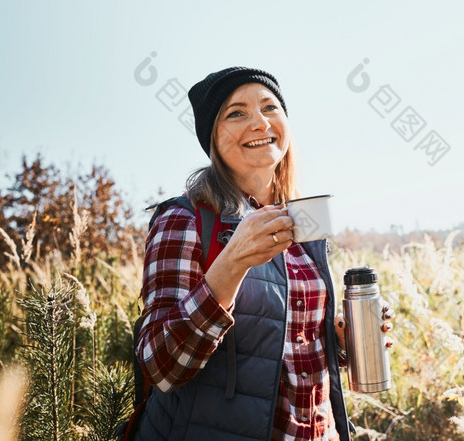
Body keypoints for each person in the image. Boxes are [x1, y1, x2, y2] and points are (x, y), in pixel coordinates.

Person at [134, 67, 393, 440]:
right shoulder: (186, 219)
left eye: (270, 108)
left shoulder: (304, 223)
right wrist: (232, 262)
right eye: (236, 113)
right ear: (212, 137)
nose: (259, 122)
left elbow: (286, 350)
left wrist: (342, 341)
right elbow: (161, 367)